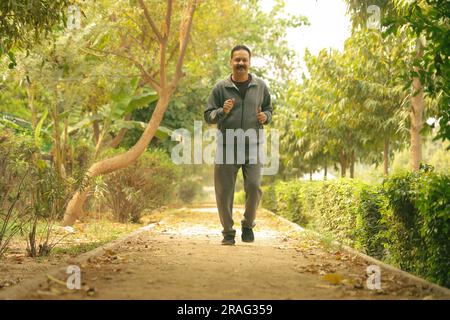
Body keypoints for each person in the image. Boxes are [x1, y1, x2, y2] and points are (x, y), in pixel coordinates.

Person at [204, 45, 273, 245]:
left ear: (249, 63)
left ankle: (248, 225)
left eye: (244, 60)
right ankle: (227, 232)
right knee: (224, 191)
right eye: (237, 60)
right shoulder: (220, 88)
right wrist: (221, 112)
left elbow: (269, 108)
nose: (241, 63)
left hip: (253, 145)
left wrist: (265, 116)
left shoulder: (260, 86)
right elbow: (208, 116)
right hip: (227, 146)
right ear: (231, 62)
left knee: (254, 186)